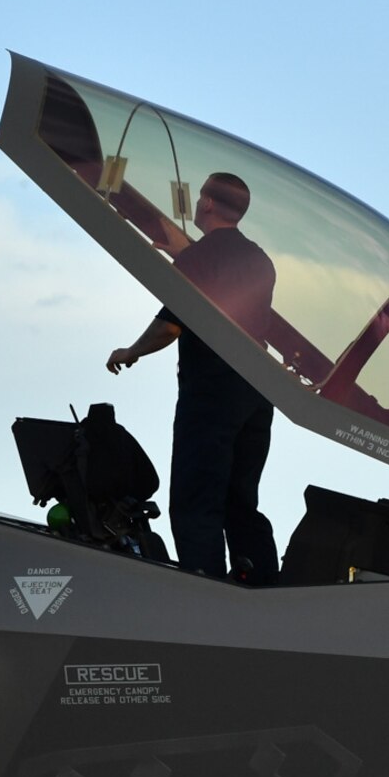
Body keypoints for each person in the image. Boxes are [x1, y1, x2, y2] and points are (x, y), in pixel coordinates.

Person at [107, 172, 278, 582]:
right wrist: (184, 256)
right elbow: (227, 289)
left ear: (207, 204)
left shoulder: (199, 259)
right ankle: (261, 583)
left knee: (196, 497)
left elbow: (171, 324)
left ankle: (205, 587)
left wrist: (131, 351)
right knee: (242, 501)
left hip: (212, 394)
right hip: (257, 394)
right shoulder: (259, 259)